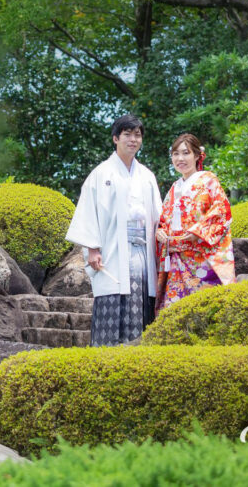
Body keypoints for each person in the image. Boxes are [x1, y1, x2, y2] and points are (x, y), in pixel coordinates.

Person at [66, 114, 162, 347]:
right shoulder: (101, 173)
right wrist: (92, 248)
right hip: (112, 249)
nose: (133, 140)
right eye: (127, 134)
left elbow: (159, 216)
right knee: (112, 298)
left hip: (143, 250)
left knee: (142, 298)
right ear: (115, 138)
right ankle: (106, 356)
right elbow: (89, 211)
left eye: (137, 135)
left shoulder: (147, 176)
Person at [155, 133, 236, 310]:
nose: (180, 158)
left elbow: (221, 212)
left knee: (206, 307)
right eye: (176, 154)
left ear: (197, 155)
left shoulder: (209, 180)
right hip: (177, 258)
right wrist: (160, 231)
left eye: (186, 153)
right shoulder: (174, 187)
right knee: (175, 309)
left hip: (201, 257)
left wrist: (196, 232)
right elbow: (164, 219)